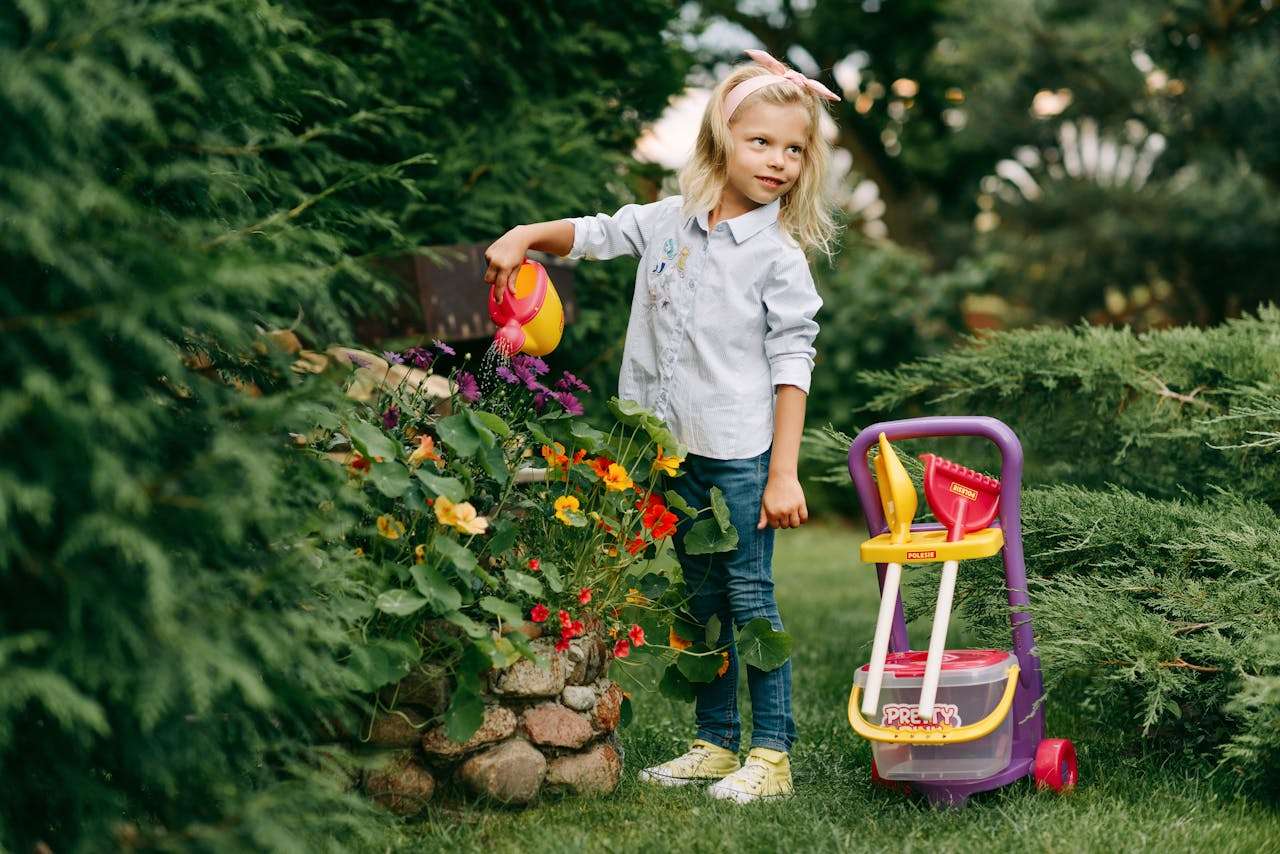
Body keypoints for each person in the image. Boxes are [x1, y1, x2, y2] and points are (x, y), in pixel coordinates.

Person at [483, 50, 839, 803]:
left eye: (794, 148)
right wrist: (523, 235)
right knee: (698, 602)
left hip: (740, 457)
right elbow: (591, 233)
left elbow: (792, 362)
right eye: (761, 142)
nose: (777, 161)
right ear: (721, 139)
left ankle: (771, 754)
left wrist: (783, 471)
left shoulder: (777, 259)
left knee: (751, 601)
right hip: (668, 454)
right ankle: (714, 742)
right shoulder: (666, 223)